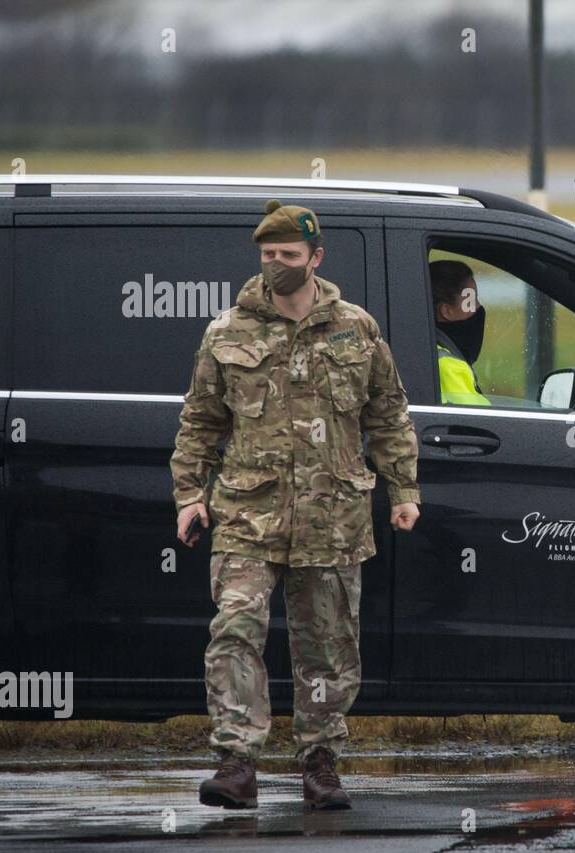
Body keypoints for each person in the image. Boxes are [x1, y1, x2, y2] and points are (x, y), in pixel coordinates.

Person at [170, 199, 421, 811]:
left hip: (332, 517)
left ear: (316, 258)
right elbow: (200, 422)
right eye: (268, 256)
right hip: (246, 516)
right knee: (233, 632)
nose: (277, 265)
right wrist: (187, 496)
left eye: (288, 255)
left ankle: (321, 762)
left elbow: (388, 415)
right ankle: (236, 763)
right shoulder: (228, 331)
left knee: (328, 645)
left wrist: (404, 490)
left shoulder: (356, 329)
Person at [429, 259, 491, 405]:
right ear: (446, 311)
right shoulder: (447, 366)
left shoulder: (429, 349)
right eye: (470, 301)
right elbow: (482, 422)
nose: (479, 307)